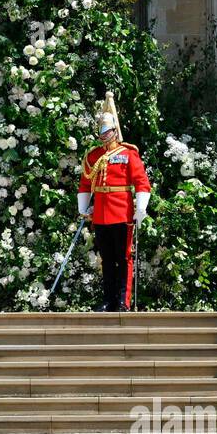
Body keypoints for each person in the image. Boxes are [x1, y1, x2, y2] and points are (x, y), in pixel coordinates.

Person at [77, 94, 151, 312]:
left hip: (122, 212)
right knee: (107, 259)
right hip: (100, 213)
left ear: (115, 131)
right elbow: (85, 183)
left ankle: (123, 301)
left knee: (123, 257)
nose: (103, 135)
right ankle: (109, 299)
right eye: (101, 130)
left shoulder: (128, 153)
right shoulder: (93, 155)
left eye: (107, 130)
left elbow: (141, 183)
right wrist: (83, 208)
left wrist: (140, 208)